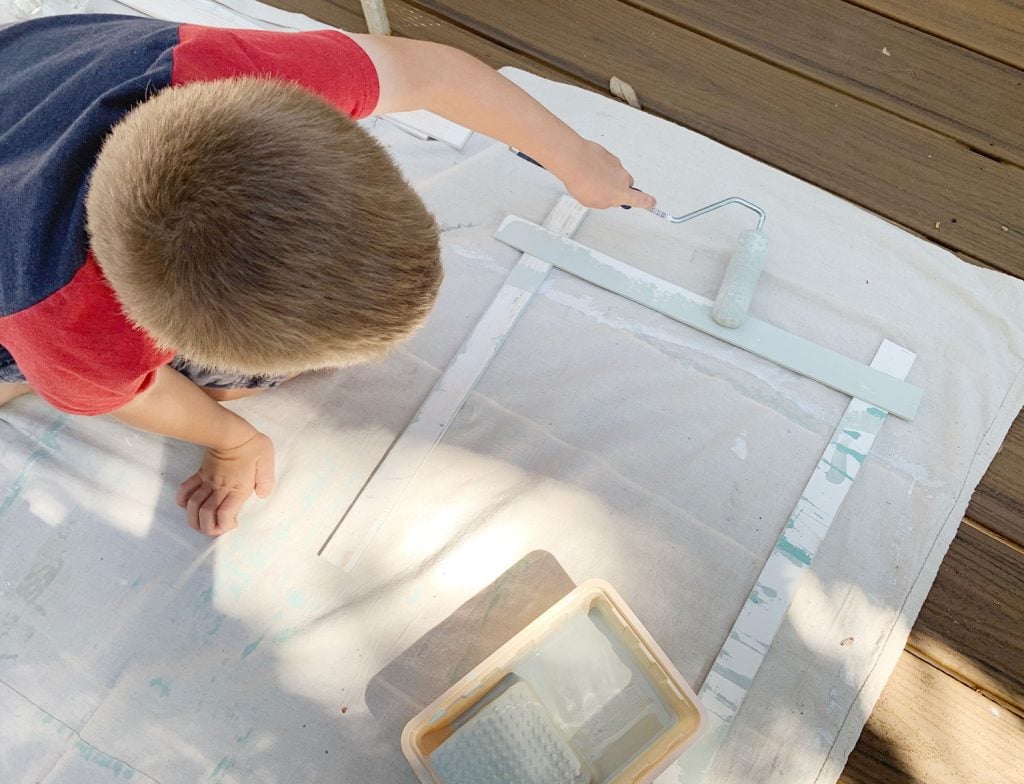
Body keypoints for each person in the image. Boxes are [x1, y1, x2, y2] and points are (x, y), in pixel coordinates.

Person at [0, 13, 655, 536]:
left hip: (29, 68)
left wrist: (576, 157)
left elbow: (426, 72)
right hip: (24, 259)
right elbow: (133, 393)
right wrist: (233, 439)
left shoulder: (232, 78)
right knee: (206, 388)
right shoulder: (65, 318)